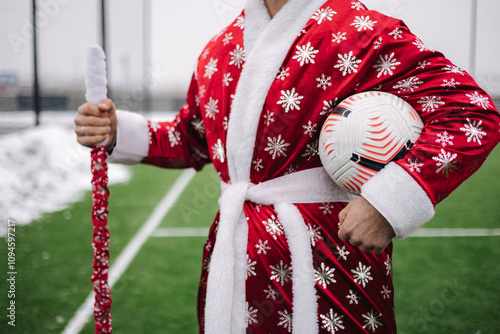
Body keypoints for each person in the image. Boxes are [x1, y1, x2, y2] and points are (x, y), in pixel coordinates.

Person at [75, 0, 500, 332]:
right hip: (234, 257)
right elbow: (194, 139)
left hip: (332, 258)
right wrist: (116, 132)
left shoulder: (366, 33)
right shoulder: (218, 51)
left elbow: (472, 113)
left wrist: (388, 201)